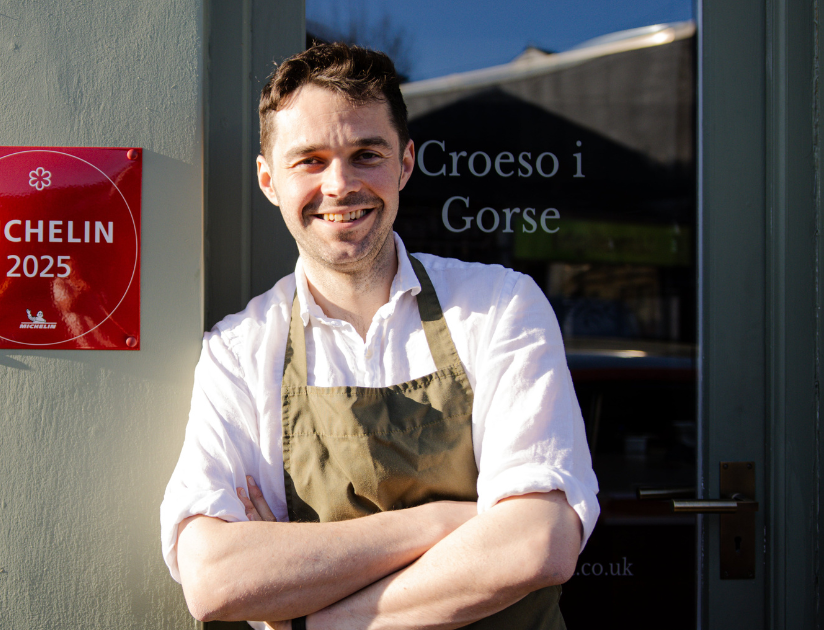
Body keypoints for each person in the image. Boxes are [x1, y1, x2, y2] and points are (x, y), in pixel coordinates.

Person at [160, 42, 599, 630]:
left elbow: (535, 544)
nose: (340, 185)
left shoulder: (498, 306)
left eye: (366, 153)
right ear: (268, 180)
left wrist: (307, 619)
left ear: (405, 163)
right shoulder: (239, 352)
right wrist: (446, 522)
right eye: (309, 160)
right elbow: (216, 579)